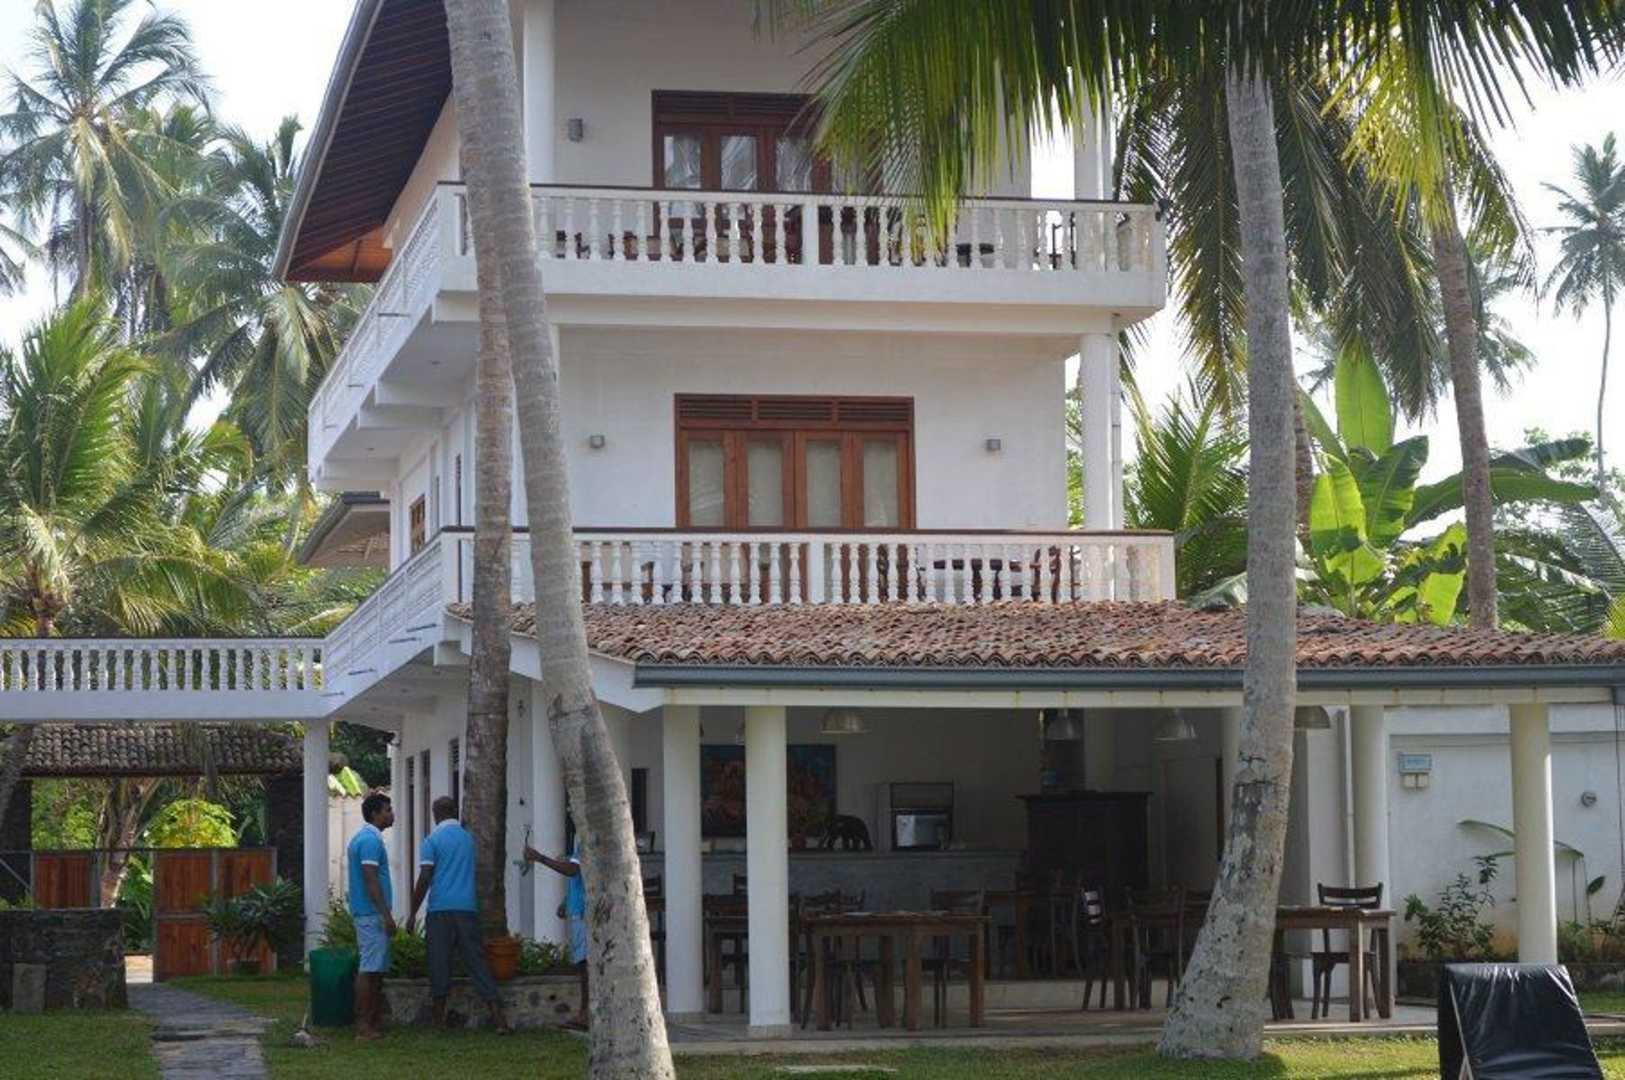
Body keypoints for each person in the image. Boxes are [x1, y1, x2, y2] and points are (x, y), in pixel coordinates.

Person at [405, 795, 512, 1033]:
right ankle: (499, 1019)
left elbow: (425, 876)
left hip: (440, 909)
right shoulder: (468, 840)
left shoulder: (432, 840)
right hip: (467, 908)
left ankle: (438, 1019)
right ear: (455, 812)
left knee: (439, 961)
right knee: (477, 961)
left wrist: (412, 913)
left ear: (435, 814)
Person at [346, 791, 395, 1041]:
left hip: (369, 912)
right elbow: (370, 879)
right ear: (375, 814)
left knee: (375, 969)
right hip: (371, 913)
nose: (392, 814)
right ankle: (364, 1026)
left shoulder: (367, 838)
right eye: (387, 810)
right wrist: (385, 915)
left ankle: (372, 1021)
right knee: (369, 969)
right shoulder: (369, 841)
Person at [523, 838, 587, 1029]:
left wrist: (540, 858)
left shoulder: (586, 837)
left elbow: (573, 870)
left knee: (586, 966)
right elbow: (581, 878)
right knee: (583, 965)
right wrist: (566, 901)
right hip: (577, 908)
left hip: (584, 912)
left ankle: (585, 1014)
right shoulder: (580, 838)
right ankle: (584, 1012)